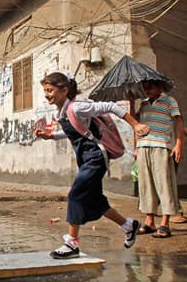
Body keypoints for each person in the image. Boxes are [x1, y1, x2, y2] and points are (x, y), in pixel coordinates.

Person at [35, 72, 149, 259]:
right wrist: (51, 136)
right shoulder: (63, 112)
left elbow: (110, 106)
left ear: (64, 90)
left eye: (50, 90)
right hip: (86, 159)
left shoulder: (78, 107)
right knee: (95, 201)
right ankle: (129, 226)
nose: (47, 94)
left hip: (95, 157)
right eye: (45, 91)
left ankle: (72, 243)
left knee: (75, 194)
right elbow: (76, 131)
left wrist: (135, 125)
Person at [134, 80, 185, 238]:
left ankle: (165, 223)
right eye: (145, 88)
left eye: (150, 87)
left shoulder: (170, 101)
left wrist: (178, 144)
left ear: (159, 87)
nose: (147, 90)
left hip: (162, 146)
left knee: (164, 184)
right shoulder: (143, 104)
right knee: (146, 184)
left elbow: (179, 123)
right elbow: (134, 123)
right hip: (144, 146)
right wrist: (130, 102)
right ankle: (149, 221)